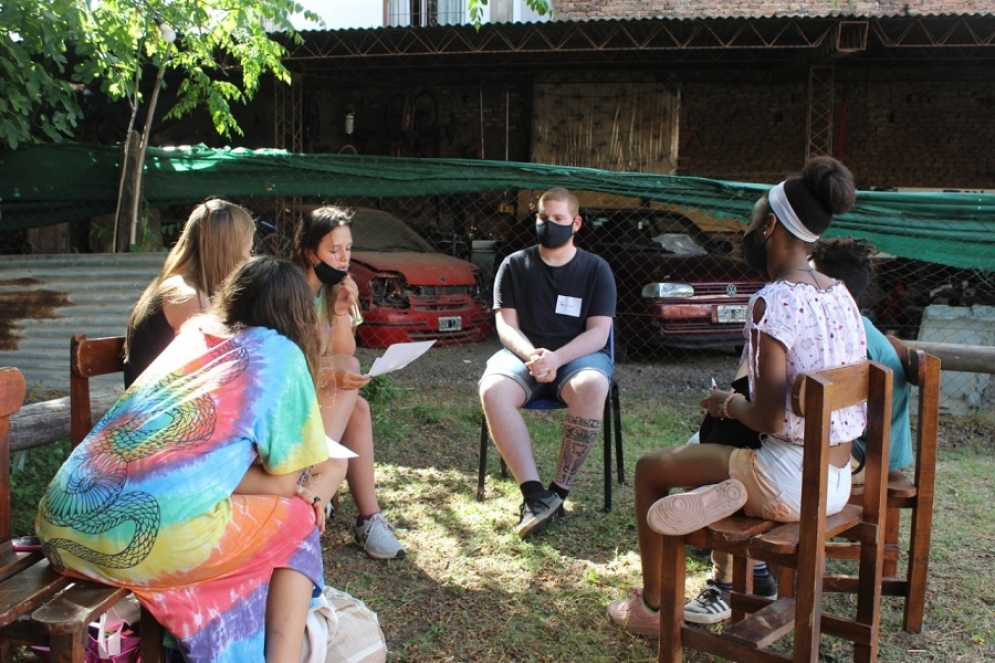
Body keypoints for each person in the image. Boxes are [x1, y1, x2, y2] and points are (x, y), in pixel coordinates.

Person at [36, 256, 352, 663]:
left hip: (60, 530)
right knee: (298, 519)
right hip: (137, 543)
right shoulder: (281, 354)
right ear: (297, 314)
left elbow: (181, 462)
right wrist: (305, 492)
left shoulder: (194, 333)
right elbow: (284, 482)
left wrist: (216, 475)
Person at [608, 156, 867, 637]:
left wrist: (724, 403)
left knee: (650, 469)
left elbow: (767, 417)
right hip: (835, 483)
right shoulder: (841, 294)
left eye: (751, 222)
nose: (747, 231)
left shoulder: (774, 299)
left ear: (770, 226)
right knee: (714, 453)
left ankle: (650, 609)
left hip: (790, 482)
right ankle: (724, 494)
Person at [479, 187, 617, 538]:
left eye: (558, 219)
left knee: (593, 384)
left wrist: (556, 358)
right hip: (523, 355)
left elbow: (599, 333)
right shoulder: (513, 264)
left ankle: (558, 492)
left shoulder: (595, 269)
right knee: (492, 389)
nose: (549, 225)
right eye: (543, 218)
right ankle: (534, 494)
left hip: (576, 357)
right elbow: (505, 325)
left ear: (576, 223)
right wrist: (532, 357)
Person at [292, 206, 405, 560]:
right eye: (333, 250)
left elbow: (343, 353)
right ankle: (310, 483)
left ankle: (368, 518)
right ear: (310, 252)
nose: (343, 259)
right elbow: (286, 364)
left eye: (348, 249)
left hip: (320, 394)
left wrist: (341, 311)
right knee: (354, 399)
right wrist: (332, 375)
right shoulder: (288, 291)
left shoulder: (339, 289)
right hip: (288, 393)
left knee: (358, 405)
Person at [123, 198, 256, 388]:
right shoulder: (187, 296)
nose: (248, 259)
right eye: (247, 251)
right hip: (158, 413)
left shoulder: (183, 286)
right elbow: (216, 370)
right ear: (228, 251)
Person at [811, 236, 914, 478]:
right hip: (878, 451)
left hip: (868, 459)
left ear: (832, 288)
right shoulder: (861, 326)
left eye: (812, 279)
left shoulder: (848, 337)